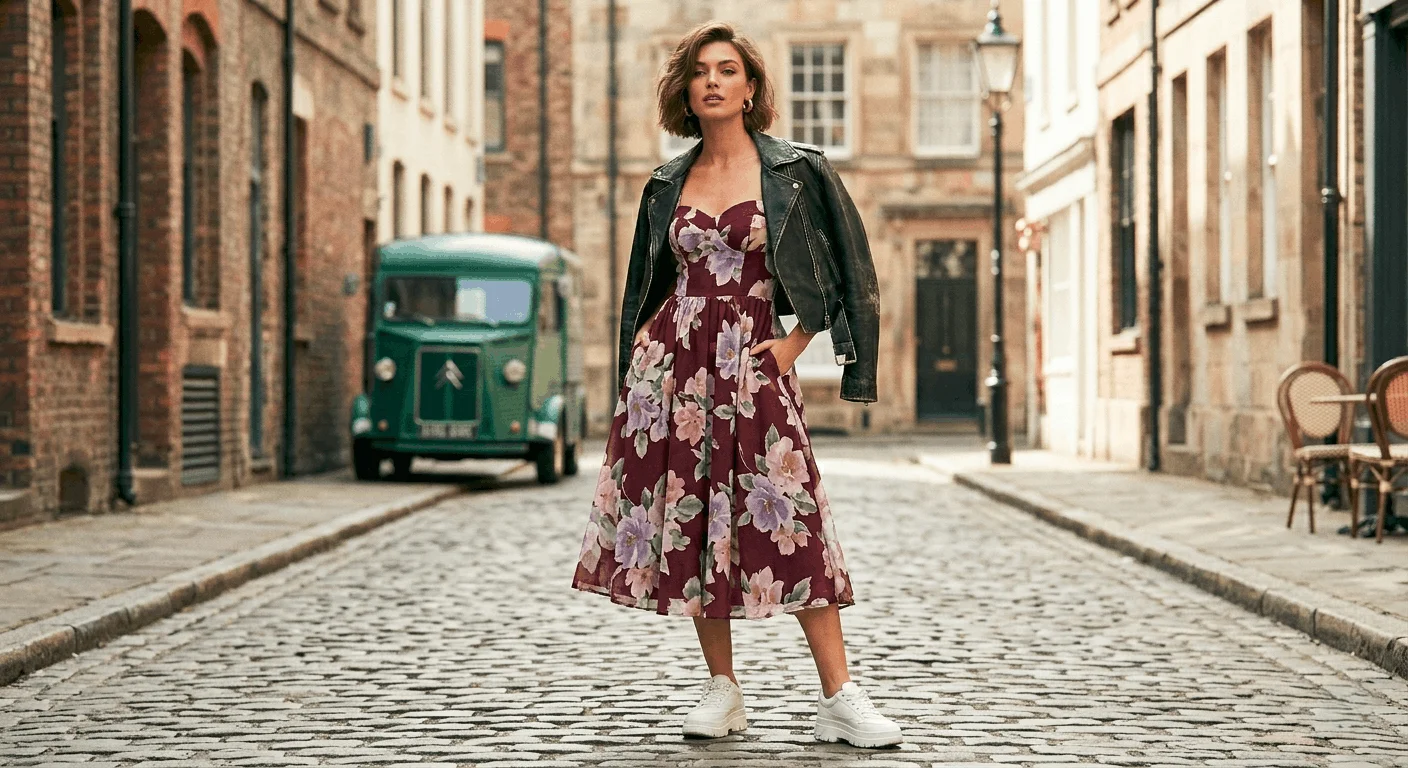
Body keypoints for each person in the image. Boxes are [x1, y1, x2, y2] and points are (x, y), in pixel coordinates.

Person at [570, 20, 898, 749]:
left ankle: (840, 697)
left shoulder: (795, 171)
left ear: (750, 89)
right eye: (700, 71)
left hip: (754, 361)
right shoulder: (666, 182)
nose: (713, 81)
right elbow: (643, 284)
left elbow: (848, 270)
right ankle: (722, 689)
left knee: (793, 518)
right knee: (692, 521)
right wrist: (639, 358)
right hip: (675, 372)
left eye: (727, 70)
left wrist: (797, 345)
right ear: (687, 91)